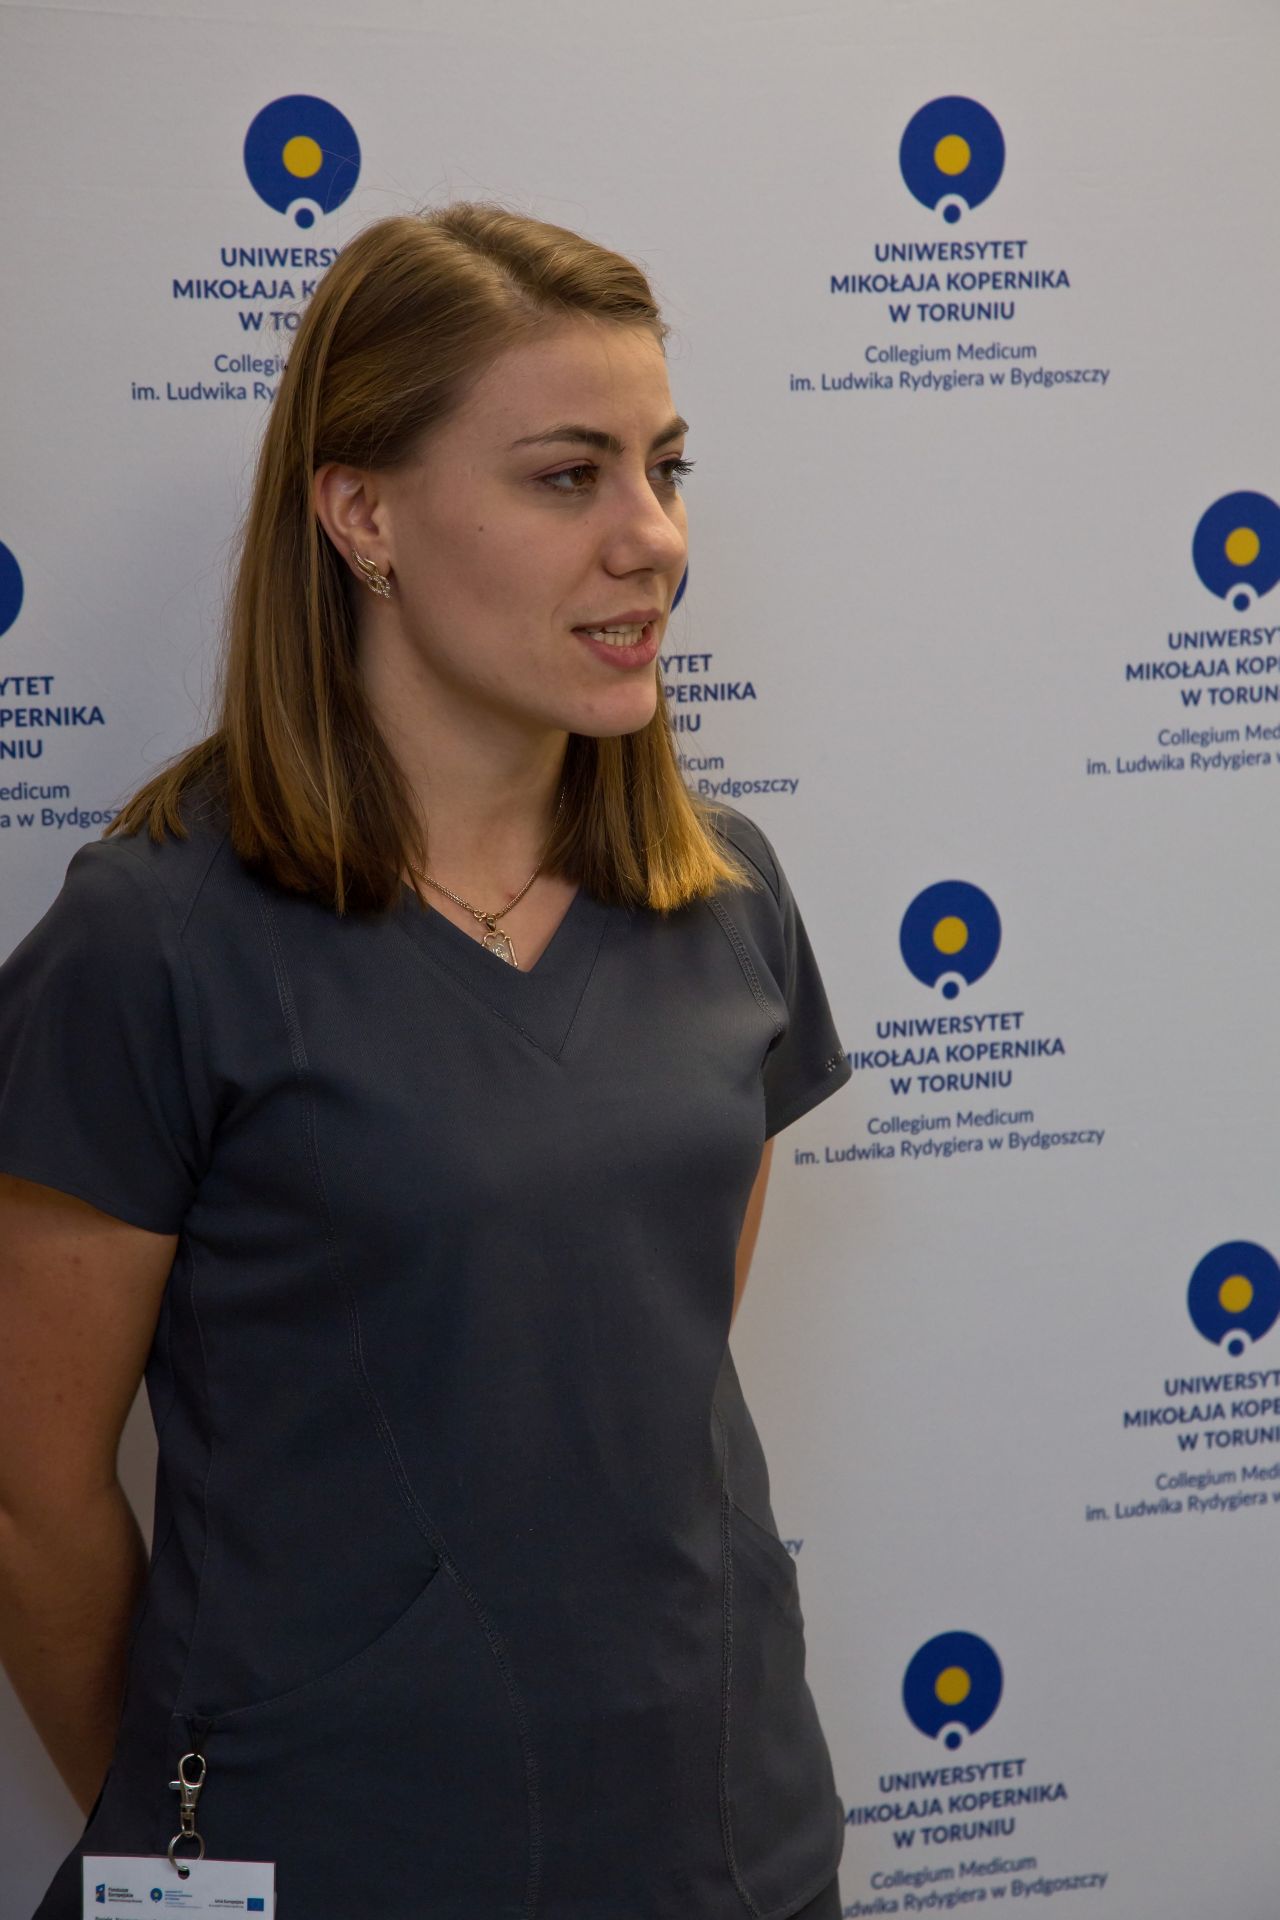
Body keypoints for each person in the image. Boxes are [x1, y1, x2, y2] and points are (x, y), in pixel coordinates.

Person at [0, 203, 853, 1919]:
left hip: (717, 1843)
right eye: (568, 476)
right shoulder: (155, 938)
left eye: (665, 469)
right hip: (323, 1858)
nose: (652, 538)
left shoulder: (729, 898)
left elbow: (647, 1375)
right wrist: (209, 1813)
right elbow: (30, 1499)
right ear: (362, 514)